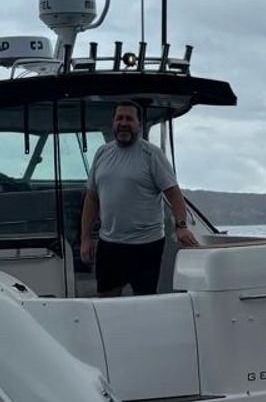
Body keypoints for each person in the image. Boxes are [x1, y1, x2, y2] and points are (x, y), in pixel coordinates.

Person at [79, 100, 199, 296]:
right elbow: (91, 199)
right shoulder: (102, 153)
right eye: (119, 118)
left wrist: (181, 226)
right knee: (107, 299)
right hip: (109, 243)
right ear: (113, 122)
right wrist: (85, 239)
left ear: (139, 124)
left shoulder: (152, 155)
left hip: (146, 245)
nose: (123, 123)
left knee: (145, 301)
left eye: (129, 119)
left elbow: (175, 195)